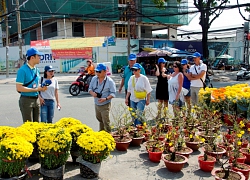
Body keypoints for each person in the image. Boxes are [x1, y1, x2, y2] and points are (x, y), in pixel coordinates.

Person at [16, 47, 48, 122]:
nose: (40, 58)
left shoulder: (37, 70)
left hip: (36, 99)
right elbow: (19, 88)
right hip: (26, 100)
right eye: (38, 56)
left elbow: (36, 85)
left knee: (36, 124)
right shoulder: (22, 70)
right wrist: (36, 89)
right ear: (32, 57)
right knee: (28, 125)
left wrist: (40, 92)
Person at [88, 63, 116, 132]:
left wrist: (106, 98)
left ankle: (109, 134)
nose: (97, 73)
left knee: (106, 121)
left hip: (105, 104)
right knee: (99, 119)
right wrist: (92, 93)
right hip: (96, 103)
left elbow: (113, 93)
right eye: (96, 71)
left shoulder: (110, 81)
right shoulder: (94, 79)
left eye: (99, 72)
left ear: (105, 71)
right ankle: (102, 132)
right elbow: (89, 89)